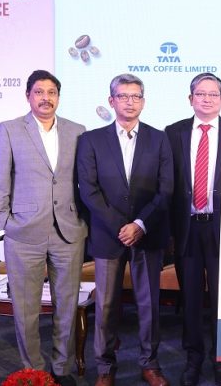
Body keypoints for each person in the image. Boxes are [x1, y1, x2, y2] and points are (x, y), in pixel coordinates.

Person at [0, 70, 88, 386]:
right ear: (28, 95)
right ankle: (33, 371)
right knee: (26, 307)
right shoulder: (10, 130)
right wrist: (5, 223)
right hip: (23, 232)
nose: (46, 98)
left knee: (67, 305)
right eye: (39, 92)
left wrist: (84, 220)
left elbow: (84, 181)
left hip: (68, 231)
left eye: (51, 92)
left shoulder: (77, 131)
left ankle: (62, 368)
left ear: (58, 96)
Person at [76, 74, 173, 386]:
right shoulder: (91, 140)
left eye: (135, 96)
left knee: (149, 305)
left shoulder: (159, 139)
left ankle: (150, 363)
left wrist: (140, 224)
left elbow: (166, 189)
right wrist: (121, 226)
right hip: (109, 235)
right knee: (105, 306)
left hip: (148, 233)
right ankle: (105, 367)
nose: (130, 102)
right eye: (123, 96)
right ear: (111, 101)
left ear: (143, 102)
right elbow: (88, 190)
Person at [165, 73, 221, 386]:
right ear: (190, 99)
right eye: (200, 94)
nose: (206, 99)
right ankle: (193, 358)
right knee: (189, 298)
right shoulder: (173, 132)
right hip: (187, 227)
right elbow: (168, 183)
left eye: (213, 94)